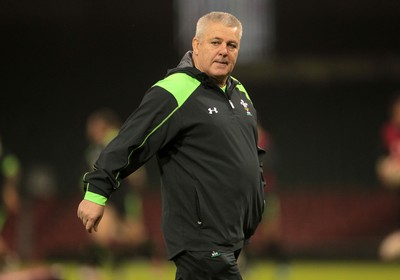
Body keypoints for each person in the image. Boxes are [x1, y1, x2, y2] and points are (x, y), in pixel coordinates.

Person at [77, 11, 265, 279]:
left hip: (233, 233)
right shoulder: (175, 89)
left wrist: (257, 195)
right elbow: (130, 140)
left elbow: (250, 154)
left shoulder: (241, 94)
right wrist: (97, 191)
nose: (224, 51)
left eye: (231, 45)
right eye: (215, 42)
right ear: (196, 45)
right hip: (200, 235)